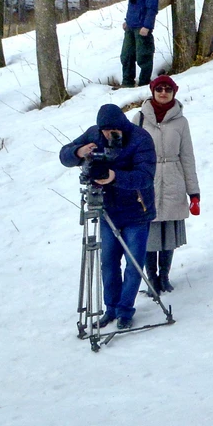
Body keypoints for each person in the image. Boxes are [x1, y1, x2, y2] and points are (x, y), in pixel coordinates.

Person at [59, 103, 158, 330]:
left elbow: (145, 177)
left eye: (112, 130)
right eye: (104, 130)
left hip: (136, 212)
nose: (107, 134)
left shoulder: (140, 139)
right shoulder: (94, 134)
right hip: (107, 211)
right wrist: (79, 152)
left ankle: (125, 311)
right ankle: (111, 308)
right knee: (108, 264)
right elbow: (64, 155)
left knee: (133, 265)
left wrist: (114, 176)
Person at [132, 74, 199, 295]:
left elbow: (187, 156)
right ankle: (152, 279)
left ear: (173, 93)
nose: (163, 93)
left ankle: (164, 277)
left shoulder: (181, 122)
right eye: (159, 89)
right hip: (147, 180)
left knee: (168, 234)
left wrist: (194, 192)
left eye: (167, 89)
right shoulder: (139, 118)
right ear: (152, 91)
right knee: (149, 234)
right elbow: (129, 153)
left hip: (173, 180)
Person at [120, 0, 159, 87]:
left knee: (144, 56)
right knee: (126, 56)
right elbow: (133, 5)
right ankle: (127, 83)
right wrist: (127, 21)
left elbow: (152, 7)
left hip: (142, 27)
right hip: (131, 26)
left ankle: (144, 84)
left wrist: (147, 26)